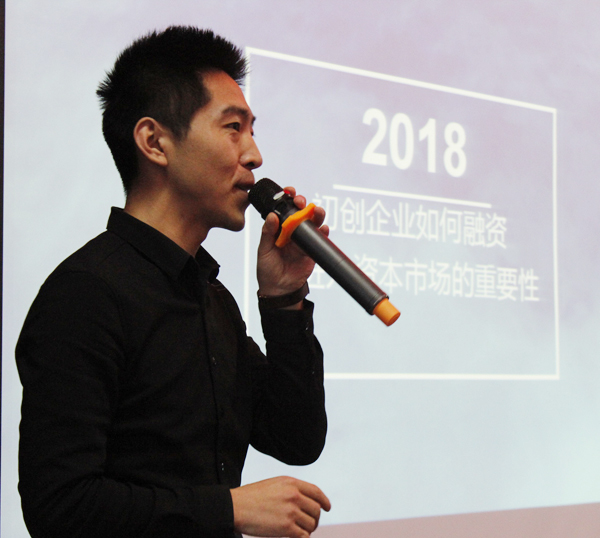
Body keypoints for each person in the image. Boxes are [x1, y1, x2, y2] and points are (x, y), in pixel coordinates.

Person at [16, 26, 330, 538]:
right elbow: (61, 507)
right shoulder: (86, 293)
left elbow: (296, 438)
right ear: (154, 142)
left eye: (252, 131)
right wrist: (228, 509)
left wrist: (284, 298)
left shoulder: (210, 296)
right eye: (233, 128)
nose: (254, 155)